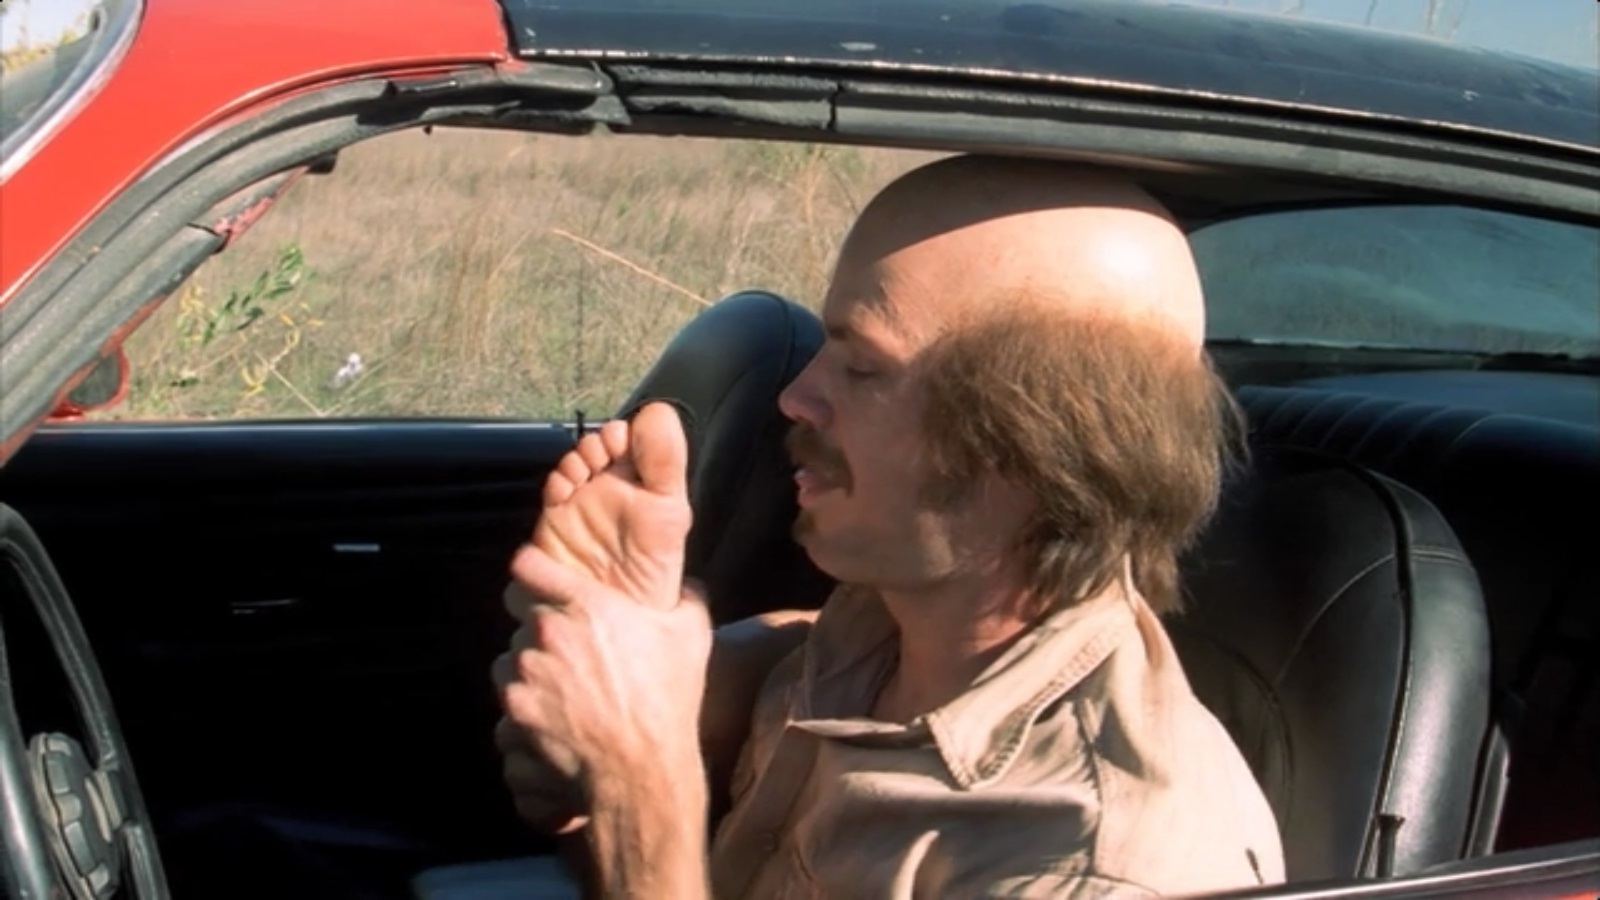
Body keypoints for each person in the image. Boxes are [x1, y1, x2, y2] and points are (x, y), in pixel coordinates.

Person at [492, 155, 1286, 898]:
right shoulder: (881, 634)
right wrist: (621, 720)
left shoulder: (1089, 865)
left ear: (1036, 445)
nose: (795, 397)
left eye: (863, 366)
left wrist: (640, 775)